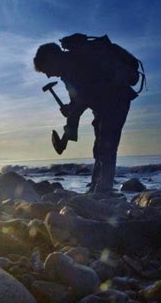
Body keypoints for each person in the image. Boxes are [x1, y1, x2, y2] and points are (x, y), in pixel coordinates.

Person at [34, 40, 138, 194]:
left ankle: (104, 190)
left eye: (46, 70)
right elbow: (80, 99)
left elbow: (82, 98)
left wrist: (68, 129)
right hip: (103, 106)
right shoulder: (68, 71)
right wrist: (70, 110)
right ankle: (97, 188)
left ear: (52, 59)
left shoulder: (76, 64)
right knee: (99, 148)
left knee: (106, 146)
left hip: (116, 100)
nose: (48, 75)